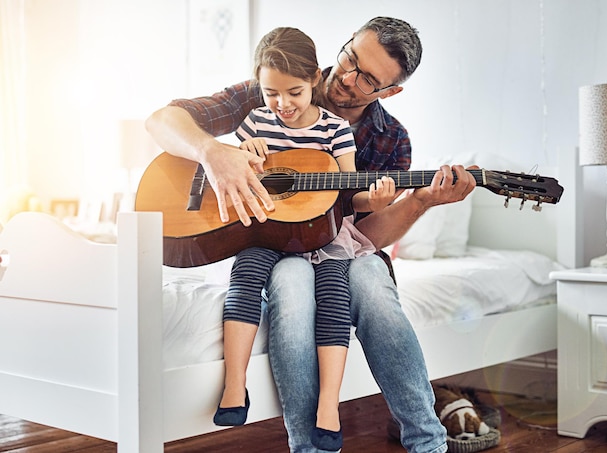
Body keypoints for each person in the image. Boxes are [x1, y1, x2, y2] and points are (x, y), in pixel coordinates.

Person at [146, 16, 476, 453]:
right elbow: (161, 121)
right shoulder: (278, 84)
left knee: (372, 286)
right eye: (350, 57)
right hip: (278, 249)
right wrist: (212, 152)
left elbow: (366, 237)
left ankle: (428, 443)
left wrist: (419, 201)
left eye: (367, 79)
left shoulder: (390, 137)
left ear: (390, 91)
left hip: (345, 251)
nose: (346, 77)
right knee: (291, 282)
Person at [212, 27, 395, 452]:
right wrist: (245, 154)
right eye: (271, 93)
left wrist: (378, 199)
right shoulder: (255, 122)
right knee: (244, 276)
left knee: (334, 297)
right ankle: (234, 386)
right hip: (264, 232)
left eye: (293, 92)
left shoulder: (335, 130)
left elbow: (350, 193)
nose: (282, 105)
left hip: (323, 238)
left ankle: (328, 406)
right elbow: (234, 178)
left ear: (315, 78)